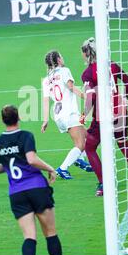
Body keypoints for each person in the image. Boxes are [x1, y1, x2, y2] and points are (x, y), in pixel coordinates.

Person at [0, 105, 62, 255]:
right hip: (37, 189)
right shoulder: (25, 136)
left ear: (3, 120)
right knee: (50, 233)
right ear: (19, 118)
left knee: (29, 237)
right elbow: (31, 159)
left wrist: (8, 165)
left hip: (17, 193)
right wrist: (50, 169)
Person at [80, 37, 128, 196]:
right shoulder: (113, 65)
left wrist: (84, 114)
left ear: (87, 54)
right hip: (120, 111)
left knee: (89, 147)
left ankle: (103, 184)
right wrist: (125, 99)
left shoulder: (88, 73)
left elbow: (91, 98)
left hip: (102, 114)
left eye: (82, 53)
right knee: (123, 143)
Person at [41, 50, 93, 180]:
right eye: (61, 56)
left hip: (58, 116)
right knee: (80, 144)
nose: (63, 58)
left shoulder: (46, 79)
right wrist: (85, 97)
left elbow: (46, 100)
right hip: (69, 113)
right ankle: (62, 169)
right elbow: (71, 87)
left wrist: (45, 120)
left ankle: (79, 159)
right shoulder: (64, 71)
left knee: (89, 136)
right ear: (58, 60)